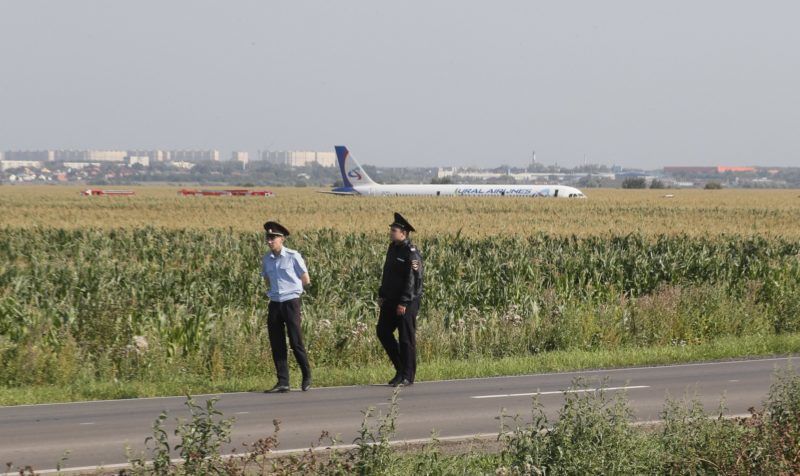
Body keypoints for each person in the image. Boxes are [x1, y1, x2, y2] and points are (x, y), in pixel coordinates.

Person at [261, 221, 312, 393]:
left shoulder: (293, 256)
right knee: (277, 342)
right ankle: (283, 381)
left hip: (291, 302)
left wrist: (294, 292)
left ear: (281, 239)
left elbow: (305, 279)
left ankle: (306, 375)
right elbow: (267, 279)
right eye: (268, 238)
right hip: (275, 303)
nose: (269, 241)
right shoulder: (266, 259)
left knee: (295, 341)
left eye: (273, 238)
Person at [377, 212, 424, 387]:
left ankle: (408, 375)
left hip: (407, 301)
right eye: (391, 229)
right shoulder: (392, 248)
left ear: (403, 233)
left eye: (394, 230)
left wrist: (404, 302)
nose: (391, 232)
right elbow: (387, 274)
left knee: (406, 338)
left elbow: (413, 279)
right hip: (390, 299)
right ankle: (400, 368)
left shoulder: (411, 252)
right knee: (382, 331)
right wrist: (381, 294)